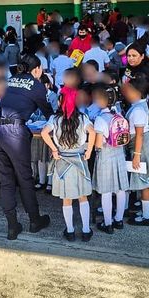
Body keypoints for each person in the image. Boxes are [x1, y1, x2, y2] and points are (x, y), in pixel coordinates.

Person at [0, 55, 53, 239]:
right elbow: (49, 113)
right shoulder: (38, 85)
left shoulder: (11, 80)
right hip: (14, 133)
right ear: (38, 69)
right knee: (25, 178)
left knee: (6, 180)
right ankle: (34, 220)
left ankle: (12, 226)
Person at [40, 86, 96, 241]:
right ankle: (85, 230)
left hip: (62, 162)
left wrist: (54, 149)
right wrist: (89, 151)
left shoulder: (54, 119)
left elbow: (44, 133)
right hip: (79, 160)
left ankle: (70, 231)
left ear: (60, 101)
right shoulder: (83, 118)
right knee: (83, 197)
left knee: (67, 199)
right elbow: (93, 132)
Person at [122, 74, 149, 226]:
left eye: (128, 91)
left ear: (137, 92)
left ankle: (147, 218)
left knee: (145, 185)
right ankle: (148, 212)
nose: (126, 94)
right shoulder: (147, 106)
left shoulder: (137, 111)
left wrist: (136, 156)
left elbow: (139, 135)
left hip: (143, 150)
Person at [91, 84, 129, 234]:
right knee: (120, 189)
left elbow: (99, 144)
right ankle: (118, 219)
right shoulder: (119, 115)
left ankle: (108, 223)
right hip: (119, 155)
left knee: (106, 191)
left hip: (106, 157)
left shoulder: (101, 119)